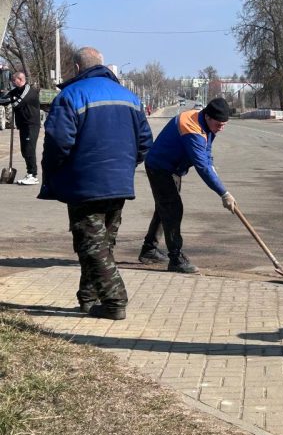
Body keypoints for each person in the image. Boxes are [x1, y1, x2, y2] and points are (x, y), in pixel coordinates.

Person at [39, 47, 153, 320]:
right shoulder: (130, 98)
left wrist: (55, 171)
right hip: (119, 182)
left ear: (77, 68)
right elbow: (145, 143)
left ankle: (114, 301)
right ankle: (88, 299)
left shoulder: (71, 95)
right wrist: (125, 166)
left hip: (84, 184)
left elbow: (57, 143)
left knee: (92, 245)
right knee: (101, 243)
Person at [139, 97, 236, 273]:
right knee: (173, 209)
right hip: (159, 167)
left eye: (224, 124)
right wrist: (223, 193)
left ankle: (149, 250)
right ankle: (176, 258)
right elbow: (202, 166)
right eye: (219, 124)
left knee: (164, 208)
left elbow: (207, 154)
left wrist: (213, 170)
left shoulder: (207, 124)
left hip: (172, 168)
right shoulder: (192, 128)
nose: (221, 128)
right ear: (208, 117)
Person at [0, 72, 41, 185]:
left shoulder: (28, 90)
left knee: (29, 150)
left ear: (20, 79)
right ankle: (29, 173)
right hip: (23, 125)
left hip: (31, 124)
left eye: (14, 80)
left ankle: (33, 175)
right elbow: (6, 98)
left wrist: (11, 100)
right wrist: (8, 98)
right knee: (24, 150)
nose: (12, 82)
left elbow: (17, 104)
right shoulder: (17, 90)